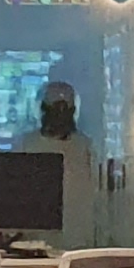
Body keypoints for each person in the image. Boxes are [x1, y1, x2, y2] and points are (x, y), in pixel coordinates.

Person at [19, 78, 101, 248]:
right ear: (44, 110)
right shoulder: (28, 145)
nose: (59, 116)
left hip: (78, 240)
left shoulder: (84, 146)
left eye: (65, 110)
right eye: (55, 109)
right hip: (36, 241)